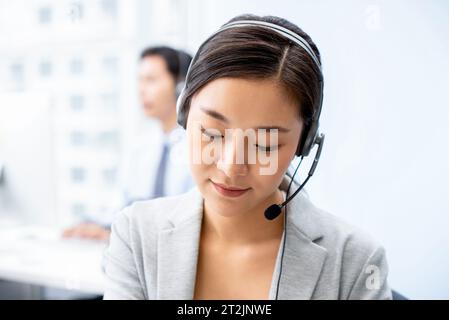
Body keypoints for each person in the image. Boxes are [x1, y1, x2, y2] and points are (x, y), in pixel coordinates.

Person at [103, 14, 392, 300]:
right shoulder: (136, 235)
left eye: (264, 145)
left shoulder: (356, 262)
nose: (230, 167)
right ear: (184, 116)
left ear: (304, 144)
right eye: (212, 133)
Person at [62, 47, 195, 241]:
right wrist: (92, 225)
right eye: (139, 81)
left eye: (150, 80)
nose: (141, 90)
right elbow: (121, 207)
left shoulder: (202, 148)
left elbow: (187, 222)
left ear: (180, 87)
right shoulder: (140, 148)